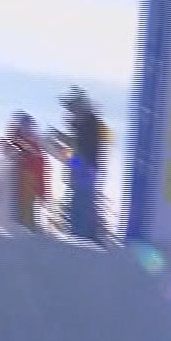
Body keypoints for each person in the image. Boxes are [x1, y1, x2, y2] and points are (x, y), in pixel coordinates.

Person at [51, 86, 108, 241]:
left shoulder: (88, 124)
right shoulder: (87, 124)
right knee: (79, 203)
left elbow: (80, 152)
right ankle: (83, 234)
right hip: (85, 170)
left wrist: (61, 149)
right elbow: (76, 149)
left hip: (85, 171)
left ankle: (81, 236)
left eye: (71, 108)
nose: (69, 113)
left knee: (81, 205)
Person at [0, 112, 46, 231]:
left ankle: (27, 228)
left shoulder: (32, 143)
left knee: (27, 204)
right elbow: (11, 152)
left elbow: (40, 166)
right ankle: (24, 228)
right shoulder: (19, 140)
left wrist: (42, 190)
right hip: (21, 175)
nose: (28, 128)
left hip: (29, 176)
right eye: (25, 125)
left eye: (29, 125)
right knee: (23, 204)